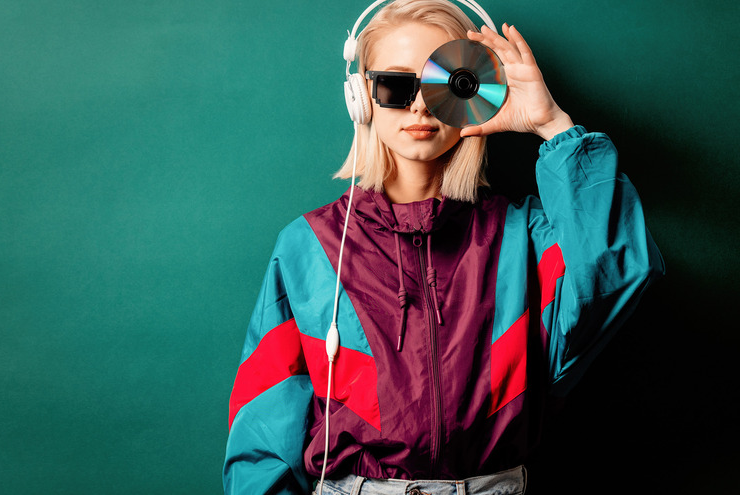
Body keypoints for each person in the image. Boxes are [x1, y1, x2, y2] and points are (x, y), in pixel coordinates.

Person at [223, 1, 664, 493]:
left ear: (477, 92)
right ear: (361, 96)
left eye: (445, 84)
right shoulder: (311, 247)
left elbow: (620, 270)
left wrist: (552, 125)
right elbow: (264, 434)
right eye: (395, 84)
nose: (419, 106)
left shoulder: (524, 235)